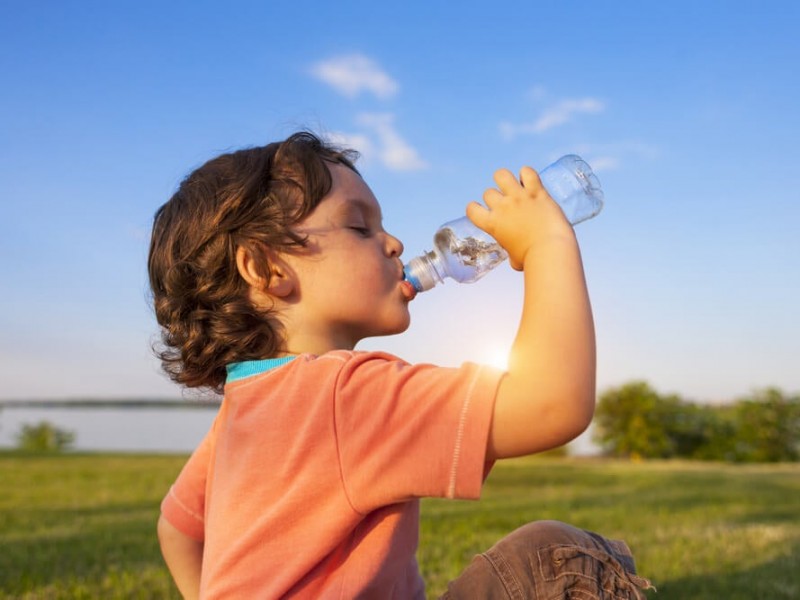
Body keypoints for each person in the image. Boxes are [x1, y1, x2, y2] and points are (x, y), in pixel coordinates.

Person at [149, 132, 652, 598]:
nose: (393, 244)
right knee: (552, 557)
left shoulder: (245, 412)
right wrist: (548, 244)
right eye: (359, 226)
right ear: (266, 269)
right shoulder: (343, 396)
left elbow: (177, 529)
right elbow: (553, 404)